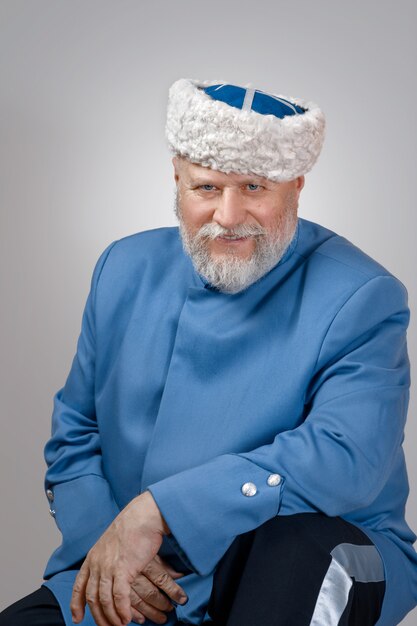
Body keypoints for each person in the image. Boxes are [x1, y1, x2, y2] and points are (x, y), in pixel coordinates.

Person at [1, 78, 417, 626]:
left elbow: (346, 457)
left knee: (292, 555)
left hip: (299, 554)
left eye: (252, 187)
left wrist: (161, 511)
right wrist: (112, 542)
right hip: (141, 568)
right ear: (176, 179)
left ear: (295, 186)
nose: (227, 216)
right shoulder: (122, 268)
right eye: (205, 188)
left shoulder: (362, 294)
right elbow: (76, 431)